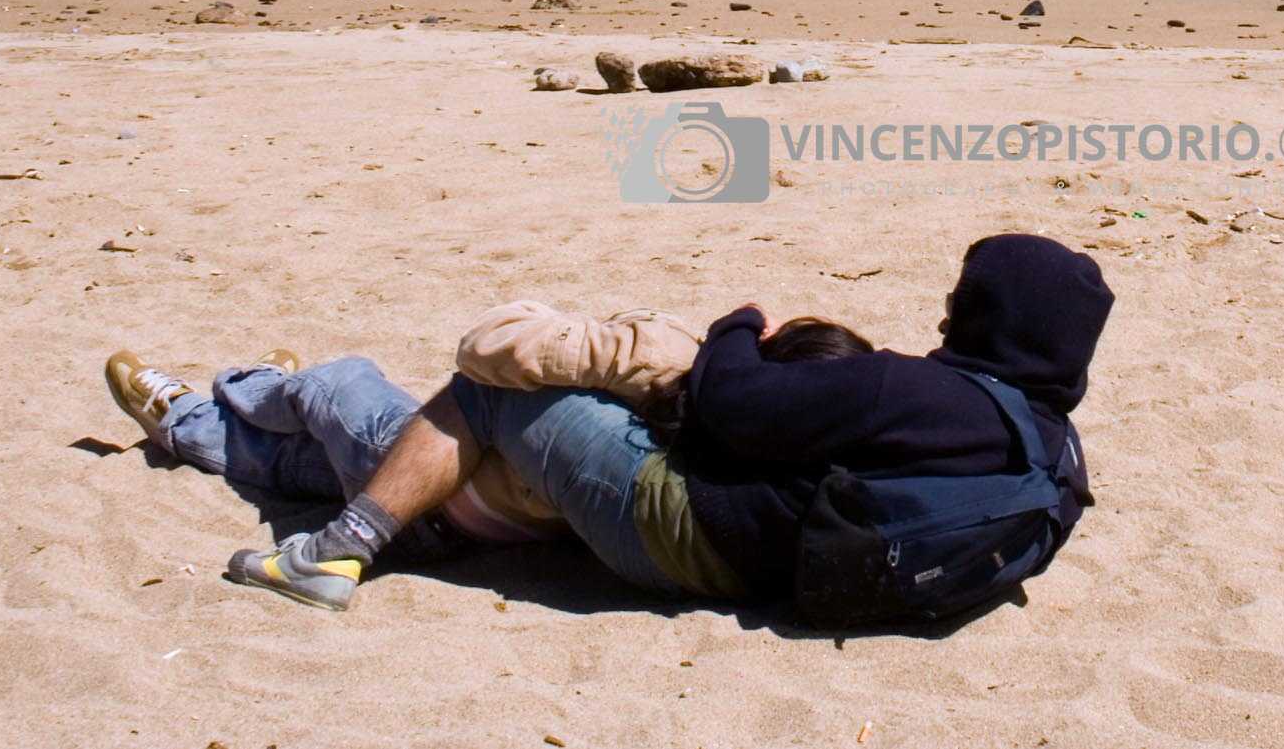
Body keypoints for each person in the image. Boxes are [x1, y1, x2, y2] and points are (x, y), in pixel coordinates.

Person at [215, 233, 1112, 615]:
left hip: (684, 539)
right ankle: (220, 425)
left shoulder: (920, 393)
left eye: (962, 303)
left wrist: (737, 327)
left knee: (491, 395)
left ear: (997, 316)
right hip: (795, 573)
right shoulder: (1058, 452)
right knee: (464, 450)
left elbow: (734, 404)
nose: (948, 317)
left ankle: (340, 547)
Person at [100, 304, 874, 581]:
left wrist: (633, 336)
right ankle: (186, 424)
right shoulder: (759, 465)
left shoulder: (676, 366)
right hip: (479, 525)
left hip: (425, 488)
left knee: (332, 385)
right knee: (297, 463)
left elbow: (488, 347)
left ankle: (236, 386)